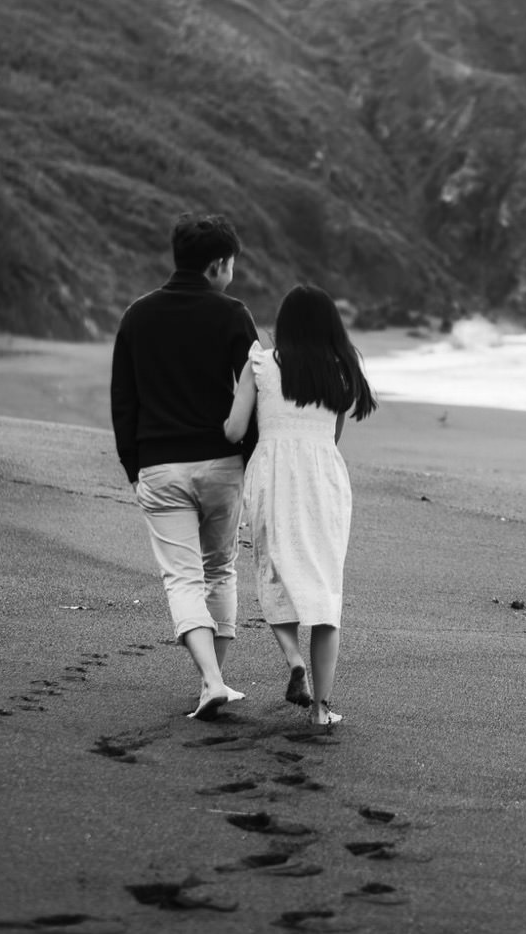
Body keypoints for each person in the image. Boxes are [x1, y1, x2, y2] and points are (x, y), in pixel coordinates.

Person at [110, 213, 260, 720]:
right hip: (220, 464)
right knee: (219, 568)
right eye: (232, 264)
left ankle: (211, 683)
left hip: (159, 466)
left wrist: (133, 466)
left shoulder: (137, 316)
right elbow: (254, 392)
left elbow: (123, 401)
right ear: (218, 264)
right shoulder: (233, 315)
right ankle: (212, 680)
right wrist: (254, 460)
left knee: (181, 578)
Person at [223, 284, 376, 728]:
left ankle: (294, 660)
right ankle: (321, 709)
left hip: (272, 474)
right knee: (326, 592)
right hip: (324, 479)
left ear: (285, 323)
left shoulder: (261, 363)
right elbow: (334, 437)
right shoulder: (341, 370)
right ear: (330, 324)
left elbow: (234, 431)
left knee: (275, 572)